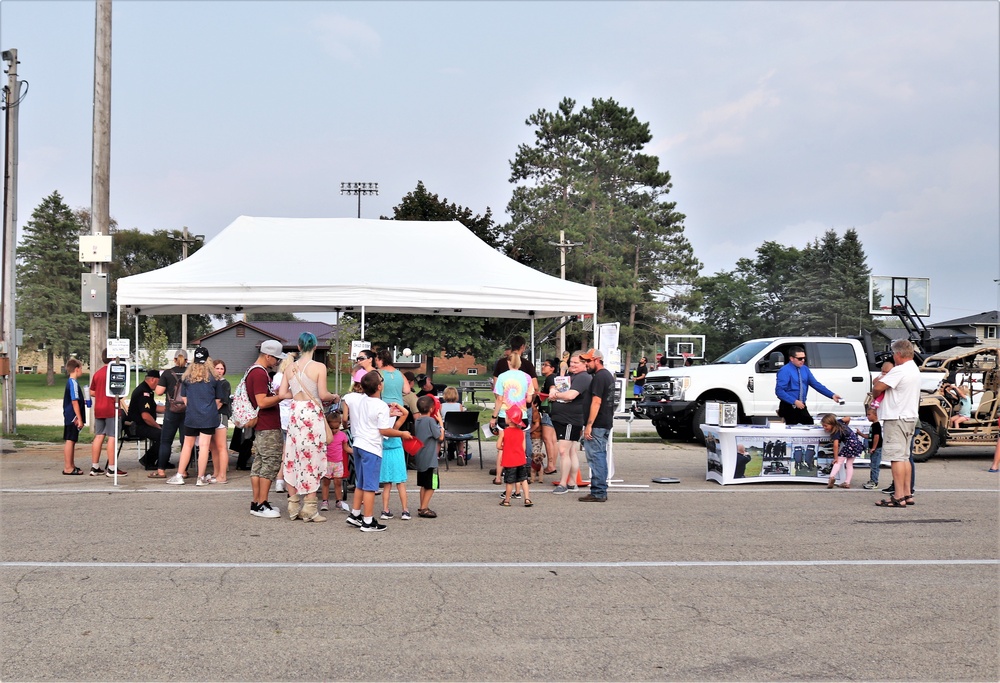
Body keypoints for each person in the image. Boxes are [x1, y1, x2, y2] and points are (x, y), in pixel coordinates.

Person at [279, 333, 339, 523]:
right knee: (312, 457)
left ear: (298, 347)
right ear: (314, 347)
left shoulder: (290, 368)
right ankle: (310, 507)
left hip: (296, 414)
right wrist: (334, 396)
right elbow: (322, 394)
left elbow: (282, 393)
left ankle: (293, 505)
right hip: (312, 415)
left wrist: (297, 394)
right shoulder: (319, 367)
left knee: (292, 456)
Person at [345, 370, 411, 532]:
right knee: (370, 486)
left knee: (361, 482)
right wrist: (402, 433)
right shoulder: (380, 405)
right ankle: (367, 521)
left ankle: (355, 515)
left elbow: (368, 415)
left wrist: (387, 413)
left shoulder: (360, 400)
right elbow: (384, 430)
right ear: (380, 386)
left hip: (358, 445)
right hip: (371, 448)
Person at [872, 339, 921, 508]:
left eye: (894, 353)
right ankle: (907, 493)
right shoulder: (914, 368)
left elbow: (878, 387)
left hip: (896, 417)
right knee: (905, 457)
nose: (893, 356)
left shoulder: (899, 370)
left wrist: (874, 394)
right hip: (909, 416)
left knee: (896, 458)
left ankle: (898, 496)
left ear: (898, 354)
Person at [168, 347, 225, 486]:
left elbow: (185, 399)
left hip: (192, 415)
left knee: (187, 445)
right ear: (208, 360)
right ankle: (200, 478)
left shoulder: (187, 378)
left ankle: (180, 475)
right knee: (204, 446)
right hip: (209, 416)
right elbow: (218, 400)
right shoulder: (214, 378)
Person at [247, 340, 291, 519]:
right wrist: (281, 396)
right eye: (276, 358)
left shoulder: (254, 371)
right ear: (267, 355)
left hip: (262, 425)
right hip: (267, 425)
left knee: (259, 464)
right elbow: (262, 402)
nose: (277, 362)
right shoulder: (260, 374)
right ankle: (262, 504)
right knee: (270, 463)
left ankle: (257, 502)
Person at [492, 335, 539, 473]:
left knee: (504, 439)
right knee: (524, 438)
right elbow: (535, 388)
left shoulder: (500, 364)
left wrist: (500, 404)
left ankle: (504, 468)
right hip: (523, 409)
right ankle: (525, 466)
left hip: (504, 410)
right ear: (523, 347)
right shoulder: (528, 367)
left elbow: (496, 389)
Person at [375, 349, 411, 520]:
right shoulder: (399, 373)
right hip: (398, 411)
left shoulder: (378, 373)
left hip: (384, 410)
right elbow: (407, 390)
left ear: (381, 359)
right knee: (395, 432)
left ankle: (385, 509)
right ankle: (405, 510)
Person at [549, 351, 591, 494]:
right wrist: (555, 390)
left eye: (576, 363)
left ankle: (563, 483)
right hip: (562, 417)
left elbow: (570, 395)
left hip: (570, 419)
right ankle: (572, 482)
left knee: (563, 451)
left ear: (585, 364)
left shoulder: (583, 377)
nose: (572, 365)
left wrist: (555, 395)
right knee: (571, 450)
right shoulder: (572, 376)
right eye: (571, 362)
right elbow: (560, 386)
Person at [489, 352, 534, 486]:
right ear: (520, 363)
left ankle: (498, 476)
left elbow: (499, 399)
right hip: (522, 416)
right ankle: (522, 477)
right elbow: (529, 398)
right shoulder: (527, 377)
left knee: (502, 446)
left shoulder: (503, 377)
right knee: (521, 446)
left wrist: (494, 416)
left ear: (508, 363)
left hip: (505, 415)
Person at [579, 348, 615, 502]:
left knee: (596, 456)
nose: (585, 364)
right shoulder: (606, 376)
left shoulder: (600, 377)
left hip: (598, 424)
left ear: (597, 360)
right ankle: (599, 490)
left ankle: (599, 491)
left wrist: (589, 425)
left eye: (588, 361)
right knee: (599, 455)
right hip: (603, 422)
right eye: (585, 361)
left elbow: (596, 401)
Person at [774, 345, 842, 425]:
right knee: (793, 427)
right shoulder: (785, 370)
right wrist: (794, 401)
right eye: (800, 358)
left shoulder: (805, 369)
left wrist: (832, 395)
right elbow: (779, 391)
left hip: (801, 404)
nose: (802, 360)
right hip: (789, 405)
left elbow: (815, 384)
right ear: (791, 358)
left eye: (804, 358)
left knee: (809, 423)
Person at [89, 350, 127, 477]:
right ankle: (111, 467)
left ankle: (95, 466)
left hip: (99, 408)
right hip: (111, 408)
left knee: (99, 435)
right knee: (112, 436)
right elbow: (120, 391)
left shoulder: (97, 373)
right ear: (113, 358)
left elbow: (92, 392)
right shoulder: (114, 372)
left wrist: (101, 392)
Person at [153, 350, 188, 477]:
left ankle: (161, 470)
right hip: (187, 411)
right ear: (186, 360)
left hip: (171, 411)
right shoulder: (191, 373)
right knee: (186, 442)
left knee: (166, 441)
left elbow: (159, 392)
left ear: (174, 360)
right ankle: (183, 471)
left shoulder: (167, 373)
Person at [413, 395, 443, 518]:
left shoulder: (417, 421)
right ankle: (424, 508)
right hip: (431, 460)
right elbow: (440, 437)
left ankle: (422, 506)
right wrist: (440, 423)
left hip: (420, 457)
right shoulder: (430, 421)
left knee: (423, 484)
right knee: (432, 484)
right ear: (431, 409)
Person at [127, 369, 162, 472]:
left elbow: (154, 408)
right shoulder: (144, 392)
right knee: (162, 434)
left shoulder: (147, 390)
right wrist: (157, 426)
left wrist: (171, 408)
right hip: (137, 426)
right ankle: (148, 460)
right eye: (158, 382)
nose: (159, 385)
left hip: (142, 424)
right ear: (152, 380)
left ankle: (163, 460)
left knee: (168, 431)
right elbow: (145, 416)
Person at [271, 352, 296, 493]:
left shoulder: (277, 377)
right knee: (288, 450)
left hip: (280, 414)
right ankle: (285, 479)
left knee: (283, 449)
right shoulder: (293, 377)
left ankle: (280, 479)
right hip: (291, 414)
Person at [499, 405, 532, 508]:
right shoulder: (521, 432)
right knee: (524, 480)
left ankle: (507, 500)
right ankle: (527, 499)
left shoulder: (504, 432)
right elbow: (523, 448)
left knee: (509, 482)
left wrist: (504, 447)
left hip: (509, 461)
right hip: (520, 460)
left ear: (509, 419)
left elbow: (498, 445)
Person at [821, 413, 864, 489]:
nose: (824, 428)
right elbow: (848, 418)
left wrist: (835, 458)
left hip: (849, 445)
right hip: (856, 443)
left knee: (838, 462)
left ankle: (831, 477)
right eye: (823, 426)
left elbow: (835, 445)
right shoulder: (839, 422)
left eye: (826, 426)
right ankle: (847, 482)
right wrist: (846, 426)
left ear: (831, 424)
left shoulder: (835, 432)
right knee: (849, 464)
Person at [320, 410, 350, 512]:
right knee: (326, 482)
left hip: (338, 462)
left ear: (340, 425)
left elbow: (346, 448)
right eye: (331, 428)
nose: (333, 431)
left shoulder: (342, 435)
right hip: (327, 462)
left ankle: (338, 501)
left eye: (336, 428)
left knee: (338, 482)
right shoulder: (325, 435)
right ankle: (325, 501)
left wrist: (356, 452)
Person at [61, 358, 86, 475]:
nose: (82, 370)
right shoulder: (73, 383)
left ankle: (71, 464)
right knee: (70, 440)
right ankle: (68, 467)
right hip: (72, 417)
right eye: (81, 368)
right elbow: (74, 401)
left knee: (72, 440)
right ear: (76, 369)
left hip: (70, 415)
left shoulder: (71, 383)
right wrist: (79, 418)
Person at [209, 360, 231, 483]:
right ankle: (216, 472)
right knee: (213, 447)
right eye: (217, 368)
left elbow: (221, 402)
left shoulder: (224, 384)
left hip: (220, 416)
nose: (219, 371)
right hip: (211, 417)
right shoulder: (211, 383)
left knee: (221, 446)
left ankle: (222, 475)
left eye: (222, 368)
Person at [537, 358, 559, 476]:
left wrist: (541, 395)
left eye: (546, 365)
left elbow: (552, 390)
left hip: (548, 411)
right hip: (555, 411)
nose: (543, 367)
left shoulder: (550, 378)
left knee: (547, 439)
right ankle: (552, 464)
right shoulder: (553, 377)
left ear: (552, 368)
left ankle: (550, 465)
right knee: (553, 440)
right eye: (543, 364)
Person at [439, 386, 466, 464]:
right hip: (457, 430)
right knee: (460, 439)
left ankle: (436, 454)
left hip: (445, 431)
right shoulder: (459, 406)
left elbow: (440, 417)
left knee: (438, 439)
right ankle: (461, 454)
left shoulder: (442, 406)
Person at [861, 407, 883, 489]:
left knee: (875, 465)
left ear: (876, 415)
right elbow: (869, 436)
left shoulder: (876, 425)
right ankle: (872, 480)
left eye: (869, 414)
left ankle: (874, 482)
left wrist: (873, 447)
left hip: (877, 449)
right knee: (872, 464)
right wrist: (860, 434)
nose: (867, 416)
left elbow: (876, 437)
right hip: (874, 449)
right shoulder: (873, 425)